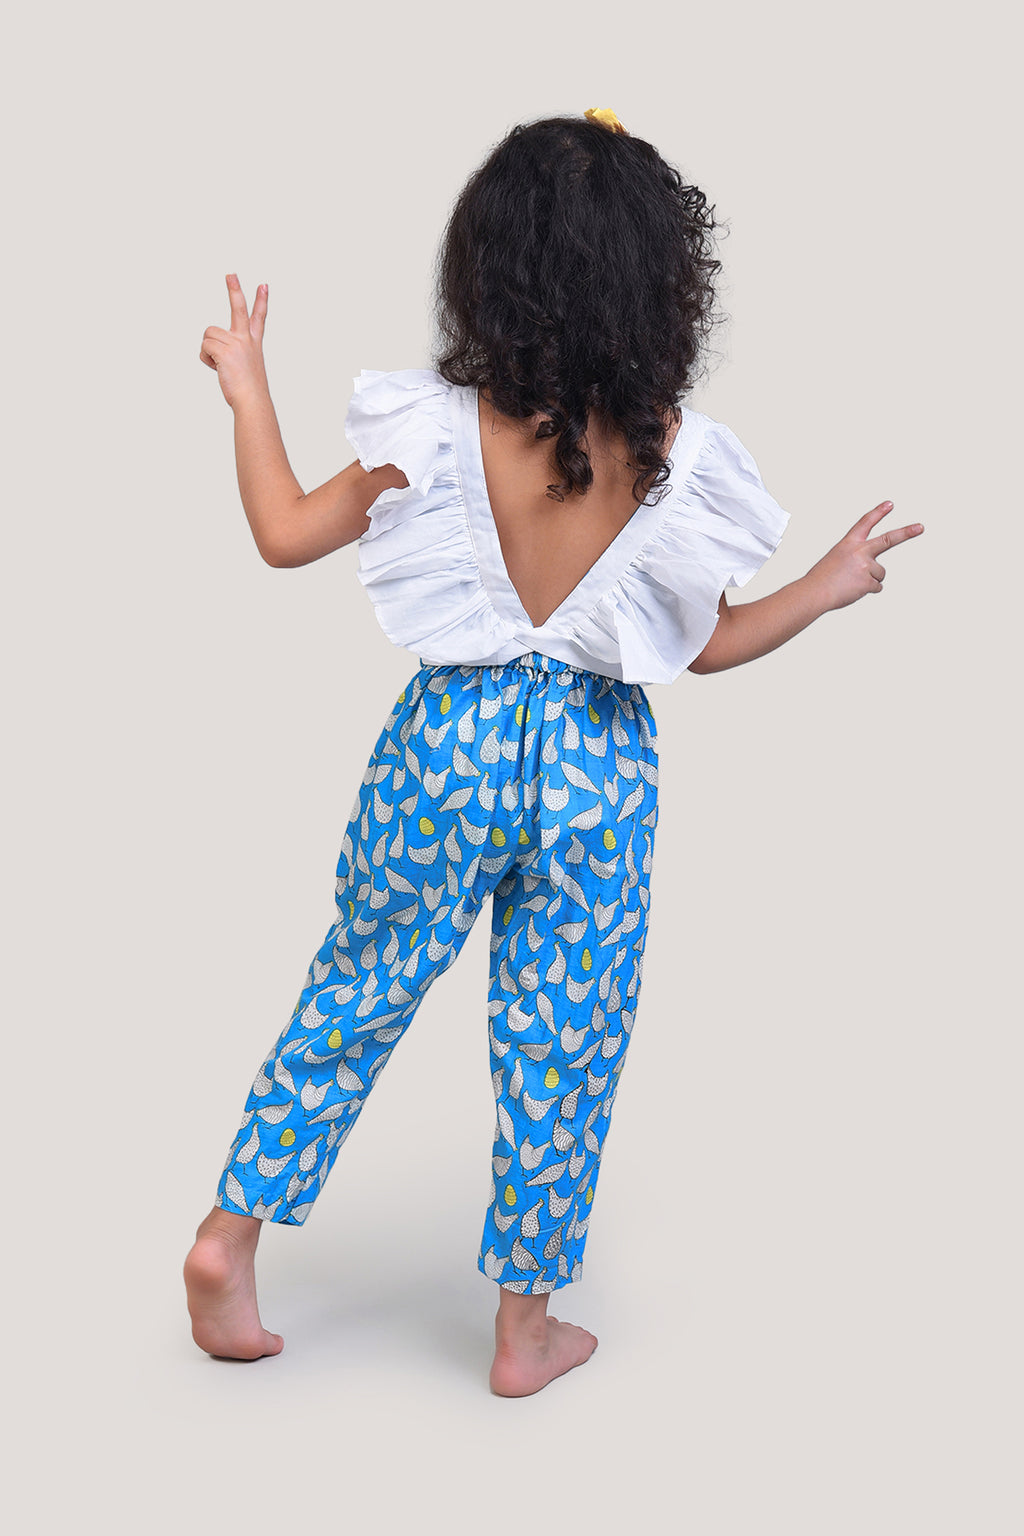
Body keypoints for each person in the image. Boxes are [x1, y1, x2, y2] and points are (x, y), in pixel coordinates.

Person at [183, 109, 924, 1397]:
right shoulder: (673, 459)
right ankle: (524, 1332)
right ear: (659, 285)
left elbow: (284, 533)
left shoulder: (433, 431)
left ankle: (229, 1238)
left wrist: (250, 390)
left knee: (357, 990)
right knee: (563, 1040)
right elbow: (704, 647)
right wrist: (826, 584)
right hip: (595, 777)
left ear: (488, 268)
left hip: (443, 756)